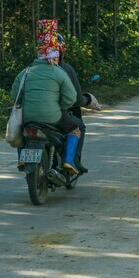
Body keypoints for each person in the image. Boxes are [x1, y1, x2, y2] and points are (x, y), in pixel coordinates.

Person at [11, 21, 82, 175]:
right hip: (53, 116)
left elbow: (15, 96)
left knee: (21, 131)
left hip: (28, 116)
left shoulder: (25, 72)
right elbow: (71, 98)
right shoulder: (60, 72)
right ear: (57, 54)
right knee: (75, 129)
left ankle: (21, 158)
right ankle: (68, 161)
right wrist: (59, 106)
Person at [57, 35, 100, 174]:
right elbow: (74, 98)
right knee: (78, 127)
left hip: (28, 114)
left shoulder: (29, 69)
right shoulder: (65, 70)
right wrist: (87, 100)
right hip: (56, 113)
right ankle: (74, 159)